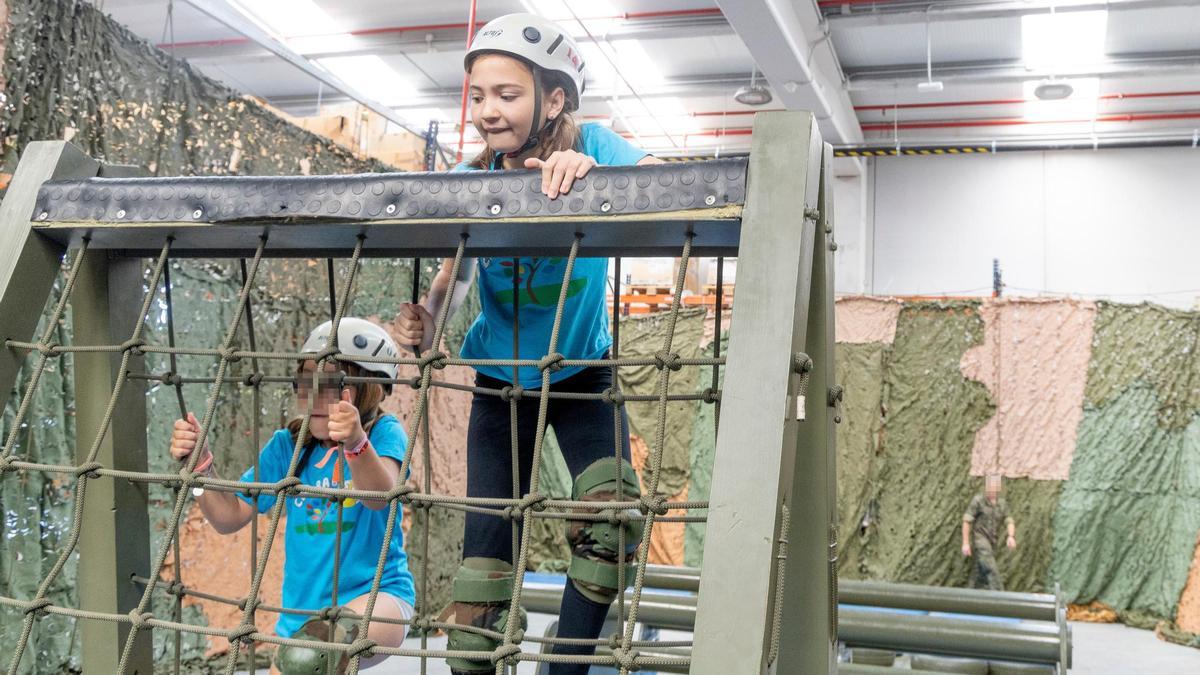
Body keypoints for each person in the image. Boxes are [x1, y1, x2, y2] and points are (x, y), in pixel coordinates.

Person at [393, 12, 662, 675]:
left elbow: (667, 178)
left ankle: (565, 663)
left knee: (615, 523)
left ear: (555, 99)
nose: (487, 111)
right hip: (501, 386)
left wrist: (595, 172)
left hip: (583, 376)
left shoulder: (594, 142)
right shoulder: (473, 176)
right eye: (478, 96)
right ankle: (476, 664)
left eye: (506, 95)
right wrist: (428, 320)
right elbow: (453, 272)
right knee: (484, 563)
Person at [169, 318, 415, 674]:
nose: (313, 396)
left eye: (330, 384)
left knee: (315, 653)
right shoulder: (291, 446)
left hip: (380, 602)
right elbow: (229, 516)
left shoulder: (383, 433)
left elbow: (379, 496)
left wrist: (355, 442)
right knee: (305, 653)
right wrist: (201, 470)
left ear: (369, 388)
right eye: (305, 381)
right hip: (300, 620)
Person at [961, 474, 1017, 591]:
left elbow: (1009, 520)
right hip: (980, 540)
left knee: (978, 572)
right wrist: (965, 543)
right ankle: (1000, 598)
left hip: (992, 542)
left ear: (998, 488)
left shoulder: (1002, 504)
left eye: (993, 487)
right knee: (991, 568)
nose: (990, 489)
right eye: (988, 486)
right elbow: (967, 521)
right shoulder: (978, 501)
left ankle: (967, 596)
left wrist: (1010, 536)